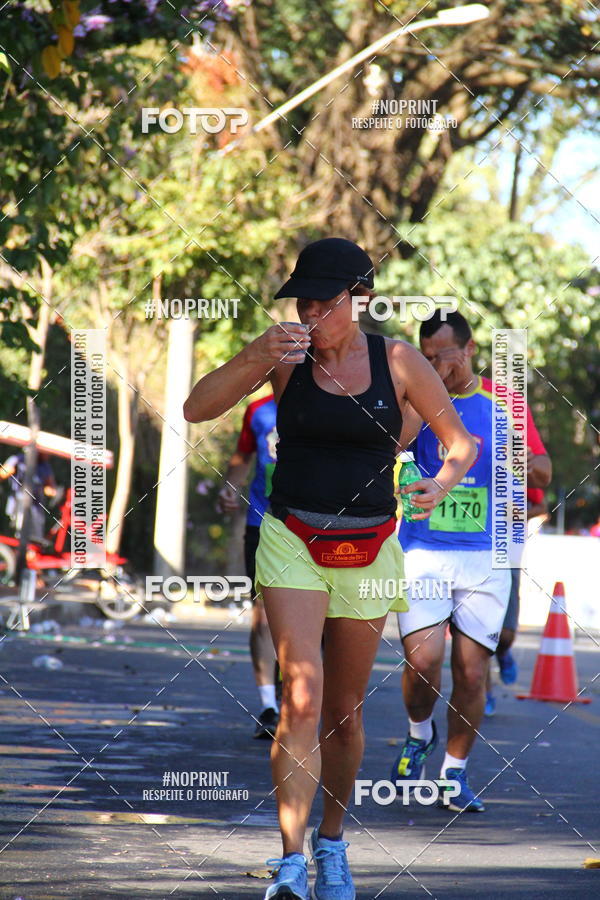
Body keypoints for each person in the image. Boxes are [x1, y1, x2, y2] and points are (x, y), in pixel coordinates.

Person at [184, 237, 476, 900]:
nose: (311, 311)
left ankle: (333, 843)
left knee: (343, 710)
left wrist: (440, 483)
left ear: (357, 299)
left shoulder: (397, 360)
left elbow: (457, 442)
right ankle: (290, 861)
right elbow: (196, 408)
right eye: (303, 300)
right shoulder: (286, 361)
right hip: (291, 536)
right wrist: (256, 354)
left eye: (325, 300)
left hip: (370, 547)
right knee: (303, 696)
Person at [391, 309, 549, 812]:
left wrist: (512, 456)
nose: (436, 364)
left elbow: (542, 471)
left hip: (487, 555)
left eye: (445, 355)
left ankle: (453, 776)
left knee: (472, 672)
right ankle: (420, 732)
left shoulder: (506, 403)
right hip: (423, 549)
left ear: (471, 348)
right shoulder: (412, 395)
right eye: (427, 356)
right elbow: (388, 448)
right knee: (422, 663)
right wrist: (421, 399)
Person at [217, 394, 281, 739]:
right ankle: (269, 707)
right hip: (264, 523)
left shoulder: (334, 397)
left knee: (317, 620)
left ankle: (302, 694)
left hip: (317, 527)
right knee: (264, 614)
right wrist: (231, 486)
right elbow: (243, 457)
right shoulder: (259, 410)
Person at [0, 450, 56, 542]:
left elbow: (50, 487)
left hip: (36, 509)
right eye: (47, 452)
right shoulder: (18, 459)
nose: (49, 455)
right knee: (20, 533)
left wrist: (54, 492)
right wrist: (10, 470)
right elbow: (3, 473)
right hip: (19, 505)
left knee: (35, 538)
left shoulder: (45, 466)